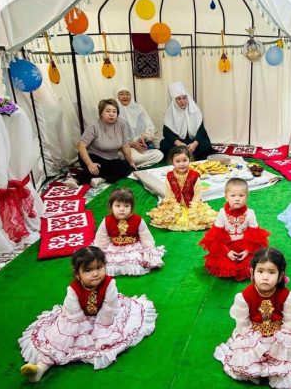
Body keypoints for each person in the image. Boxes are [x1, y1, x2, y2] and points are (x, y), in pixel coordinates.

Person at [18, 245, 156, 381]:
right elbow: (73, 315)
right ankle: (40, 368)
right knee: (59, 342)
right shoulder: (73, 290)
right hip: (77, 320)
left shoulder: (109, 284)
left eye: (99, 267)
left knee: (103, 341)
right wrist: (81, 331)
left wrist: (100, 330)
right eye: (88, 270)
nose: (95, 274)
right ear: (77, 274)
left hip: (103, 318)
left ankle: (42, 367)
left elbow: (109, 308)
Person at [214, 247, 291, 388]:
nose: (265, 277)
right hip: (254, 337)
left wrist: (277, 347)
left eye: (271, 272)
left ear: (280, 276)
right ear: (252, 272)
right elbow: (243, 325)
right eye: (260, 271)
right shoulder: (243, 297)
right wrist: (257, 349)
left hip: (279, 336)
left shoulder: (288, 296)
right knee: (243, 367)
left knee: (290, 365)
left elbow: (289, 323)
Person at [199, 177, 270, 280]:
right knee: (222, 263)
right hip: (226, 246)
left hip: (245, 246)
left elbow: (255, 236)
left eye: (241, 195)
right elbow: (216, 237)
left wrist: (247, 251)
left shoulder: (250, 213)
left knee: (255, 263)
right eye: (233, 195)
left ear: (246, 197)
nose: (237, 199)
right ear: (226, 197)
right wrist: (227, 252)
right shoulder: (222, 213)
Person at [93, 188, 165, 276]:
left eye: (126, 206)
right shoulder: (107, 220)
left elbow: (146, 237)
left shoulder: (138, 220)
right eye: (118, 206)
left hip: (133, 247)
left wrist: (149, 251)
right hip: (115, 248)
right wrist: (99, 253)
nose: (122, 209)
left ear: (131, 207)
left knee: (136, 261)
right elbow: (101, 239)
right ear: (111, 206)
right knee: (108, 263)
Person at [147, 146, 216, 231]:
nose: (182, 164)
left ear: (189, 159)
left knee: (198, 218)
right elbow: (169, 192)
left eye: (184, 160)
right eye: (178, 161)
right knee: (169, 217)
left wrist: (194, 206)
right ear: (172, 162)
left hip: (192, 204)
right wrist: (173, 205)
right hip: (176, 204)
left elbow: (198, 193)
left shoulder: (194, 175)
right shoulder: (169, 176)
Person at [75, 99, 137, 187]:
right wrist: (90, 164)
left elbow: (125, 145)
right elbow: (81, 146)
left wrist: (131, 162)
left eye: (114, 111)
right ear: (101, 113)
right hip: (93, 156)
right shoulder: (94, 125)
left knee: (125, 166)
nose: (111, 114)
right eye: (108, 111)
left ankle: (101, 179)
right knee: (99, 167)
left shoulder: (122, 124)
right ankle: (76, 179)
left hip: (111, 159)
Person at [159, 81, 214, 160]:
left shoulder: (194, 110)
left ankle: (182, 153)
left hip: (193, 141)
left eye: (184, 98)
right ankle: (186, 154)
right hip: (179, 142)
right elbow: (166, 132)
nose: (182, 101)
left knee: (205, 144)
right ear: (174, 101)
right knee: (164, 145)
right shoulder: (169, 112)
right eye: (178, 99)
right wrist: (178, 143)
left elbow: (201, 130)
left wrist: (195, 143)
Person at [115, 88, 163, 168]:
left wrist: (144, 137)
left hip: (140, 145)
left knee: (159, 154)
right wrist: (132, 144)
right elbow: (114, 140)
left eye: (127, 94)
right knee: (129, 157)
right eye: (121, 94)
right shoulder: (114, 111)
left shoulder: (139, 108)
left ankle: (132, 164)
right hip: (125, 147)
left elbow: (150, 127)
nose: (125, 96)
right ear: (116, 96)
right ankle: (132, 163)